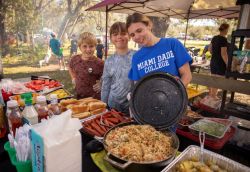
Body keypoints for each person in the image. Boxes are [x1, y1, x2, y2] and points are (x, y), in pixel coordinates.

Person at [126, 13, 192, 87]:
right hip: (150, 98)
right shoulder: (136, 57)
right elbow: (138, 85)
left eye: (139, 30)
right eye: (132, 35)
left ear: (149, 25)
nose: (137, 36)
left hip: (175, 97)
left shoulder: (172, 44)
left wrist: (176, 90)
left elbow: (187, 75)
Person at [101, 22, 135, 114]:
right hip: (113, 106)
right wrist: (103, 105)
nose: (119, 37)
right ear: (111, 38)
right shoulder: (109, 61)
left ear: (129, 36)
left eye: (123, 34)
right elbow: (106, 85)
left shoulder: (137, 57)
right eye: (115, 34)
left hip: (132, 106)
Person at [69, 32, 104, 99]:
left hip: (94, 98)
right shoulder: (75, 59)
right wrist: (73, 77)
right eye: (85, 46)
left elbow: (107, 76)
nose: (88, 49)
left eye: (91, 46)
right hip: (79, 96)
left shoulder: (100, 63)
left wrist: (101, 84)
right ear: (79, 47)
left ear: (95, 47)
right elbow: (70, 66)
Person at [208, 23, 229, 99]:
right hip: (220, 63)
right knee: (218, 80)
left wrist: (215, 54)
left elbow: (209, 50)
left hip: (213, 61)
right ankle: (213, 97)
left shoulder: (214, 38)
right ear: (226, 30)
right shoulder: (224, 39)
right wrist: (228, 64)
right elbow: (223, 54)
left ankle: (211, 96)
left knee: (213, 79)